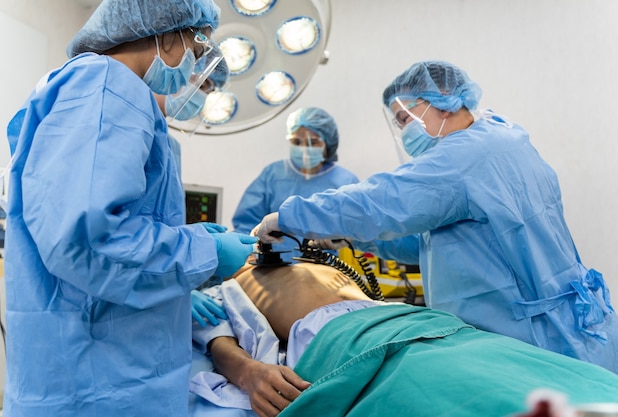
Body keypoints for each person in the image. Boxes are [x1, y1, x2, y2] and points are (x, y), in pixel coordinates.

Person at [252, 60, 618, 374]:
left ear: (442, 103)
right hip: (569, 327)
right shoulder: (502, 137)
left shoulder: (466, 156)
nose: (404, 130)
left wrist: (291, 216)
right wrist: (354, 239)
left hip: (535, 338)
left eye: (405, 117)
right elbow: (434, 244)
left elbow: (381, 201)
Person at [0, 0, 258, 415]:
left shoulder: (101, 90)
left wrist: (189, 241)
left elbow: (104, 219)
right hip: (97, 373)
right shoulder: (106, 85)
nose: (192, 66)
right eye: (194, 51)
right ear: (167, 32)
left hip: (98, 359)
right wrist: (202, 253)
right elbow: (87, 239)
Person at [189, 262, 618, 417]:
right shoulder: (226, 283)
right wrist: (250, 373)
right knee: (478, 395)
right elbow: (215, 337)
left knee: (528, 374)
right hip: (352, 344)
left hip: (421, 324)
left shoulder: (316, 259)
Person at [232, 107, 359, 263]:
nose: (304, 148)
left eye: (313, 142)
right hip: (272, 272)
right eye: (297, 142)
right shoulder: (273, 174)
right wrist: (246, 251)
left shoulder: (345, 181)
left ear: (328, 143)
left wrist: (344, 235)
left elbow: (360, 227)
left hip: (324, 273)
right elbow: (246, 225)